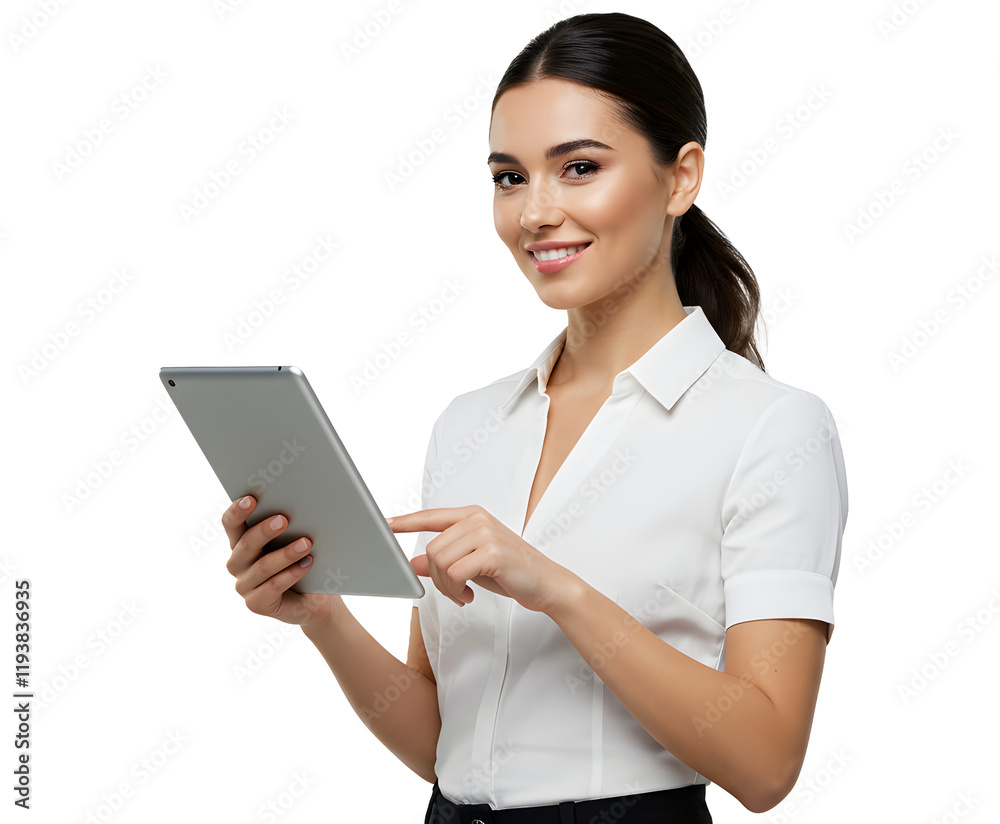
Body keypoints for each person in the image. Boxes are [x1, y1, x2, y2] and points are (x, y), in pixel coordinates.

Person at [222, 12, 848, 823]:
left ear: (681, 177)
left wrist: (559, 591)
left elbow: (765, 767)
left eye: (579, 167)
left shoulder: (772, 430)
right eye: (509, 177)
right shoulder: (470, 424)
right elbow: (443, 744)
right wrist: (322, 616)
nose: (535, 213)